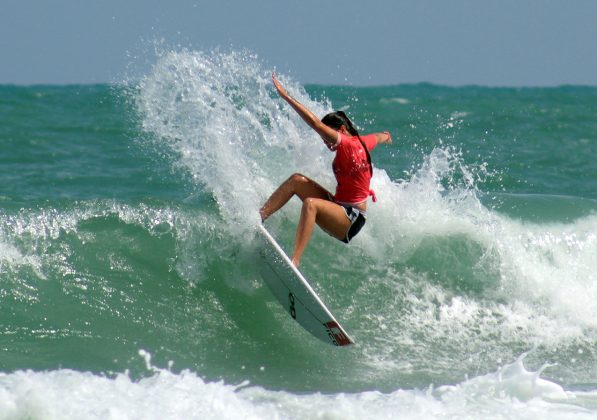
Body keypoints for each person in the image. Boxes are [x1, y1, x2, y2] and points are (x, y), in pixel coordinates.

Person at [259, 73, 392, 267]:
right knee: (296, 180)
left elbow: (314, 123)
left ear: (341, 130)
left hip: (351, 219)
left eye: (327, 137)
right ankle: (259, 218)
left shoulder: (346, 143)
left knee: (311, 204)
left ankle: (294, 261)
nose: (326, 142)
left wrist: (285, 96)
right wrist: (388, 136)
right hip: (339, 206)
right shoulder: (363, 141)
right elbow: (380, 136)